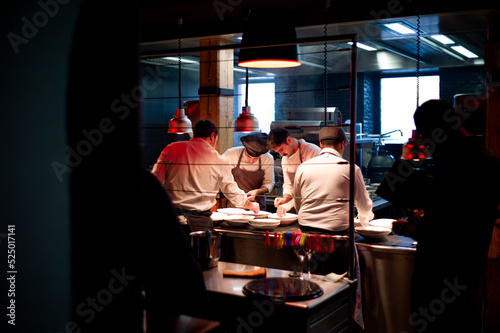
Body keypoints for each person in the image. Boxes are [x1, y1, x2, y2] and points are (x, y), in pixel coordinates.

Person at [376, 100, 500, 333]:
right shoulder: (485, 158)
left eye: (425, 136)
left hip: (441, 273)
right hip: (468, 270)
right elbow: (454, 214)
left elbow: (449, 228)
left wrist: (414, 228)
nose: (426, 143)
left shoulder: (459, 162)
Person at [151, 119, 260, 232]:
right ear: (213, 136)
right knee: (197, 250)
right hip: (199, 223)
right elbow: (231, 192)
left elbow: (154, 181)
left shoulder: (171, 148)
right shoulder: (219, 160)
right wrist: (250, 205)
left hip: (170, 218)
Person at [294, 126, 374, 234]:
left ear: (321, 145)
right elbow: (363, 203)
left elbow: (298, 202)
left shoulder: (303, 167)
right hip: (337, 230)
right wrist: (365, 222)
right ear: (342, 144)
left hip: (305, 227)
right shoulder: (351, 168)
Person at [267, 127, 320, 216]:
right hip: (300, 210)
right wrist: (286, 199)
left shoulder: (312, 152)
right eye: (278, 152)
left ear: (288, 140)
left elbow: (314, 187)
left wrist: (290, 204)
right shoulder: (285, 159)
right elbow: (289, 184)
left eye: (281, 150)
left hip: (315, 209)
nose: (281, 154)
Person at [222, 133, 275, 211]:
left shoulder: (267, 158)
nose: (251, 161)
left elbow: (269, 183)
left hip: (257, 207)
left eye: (256, 159)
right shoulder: (231, 154)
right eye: (249, 156)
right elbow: (220, 176)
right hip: (235, 207)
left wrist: (257, 191)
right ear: (245, 149)